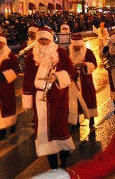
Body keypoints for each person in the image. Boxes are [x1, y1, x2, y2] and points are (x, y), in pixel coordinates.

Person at [22, 27, 76, 169]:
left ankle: (64, 157)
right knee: (43, 131)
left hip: (58, 97)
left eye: (46, 39)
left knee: (60, 128)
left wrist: (57, 77)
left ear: (51, 39)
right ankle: (52, 164)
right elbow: (27, 78)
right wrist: (27, 101)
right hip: (39, 98)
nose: (44, 42)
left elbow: (71, 72)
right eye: (41, 39)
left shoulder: (61, 53)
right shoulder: (30, 56)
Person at [67, 33, 98, 142]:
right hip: (73, 81)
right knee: (74, 102)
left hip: (85, 81)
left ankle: (92, 119)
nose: (76, 48)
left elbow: (94, 64)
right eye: (74, 47)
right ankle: (75, 121)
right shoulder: (67, 52)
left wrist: (84, 65)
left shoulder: (88, 52)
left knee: (89, 99)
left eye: (78, 47)